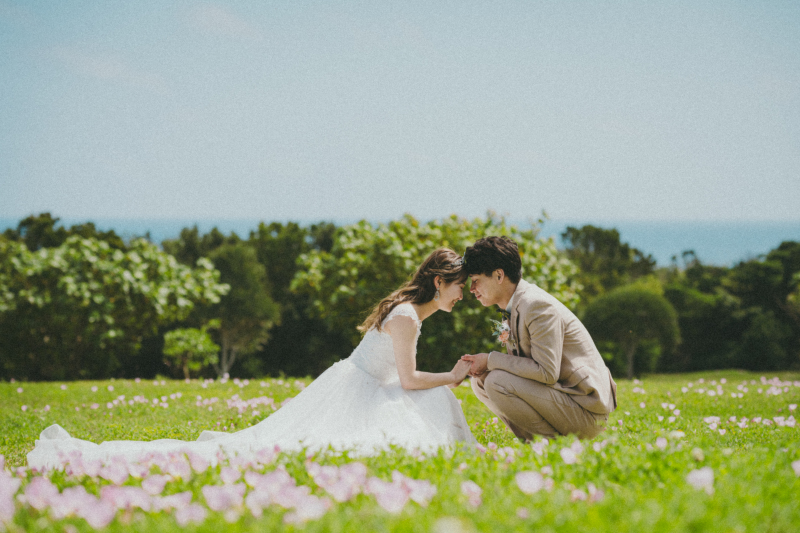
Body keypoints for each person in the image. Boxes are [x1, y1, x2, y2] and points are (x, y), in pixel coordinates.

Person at [27, 249, 475, 470]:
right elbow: (410, 379)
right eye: (459, 286)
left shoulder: (410, 313)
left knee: (428, 406)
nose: (463, 295)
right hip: (355, 390)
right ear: (439, 282)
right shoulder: (406, 318)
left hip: (362, 384)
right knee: (295, 449)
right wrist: (453, 375)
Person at [461, 237, 617, 441]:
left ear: (499, 275)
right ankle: (537, 444)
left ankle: (551, 446)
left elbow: (546, 372)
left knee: (497, 381)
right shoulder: (514, 305)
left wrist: (490, 360)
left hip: (586, 411)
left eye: (475, 281)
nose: (471, 289)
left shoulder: (536, 305)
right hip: (563, 400)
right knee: (480, 381)